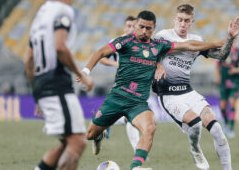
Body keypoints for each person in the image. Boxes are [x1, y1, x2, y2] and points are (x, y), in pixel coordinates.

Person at [78, 10, 225, 170]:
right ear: (135, 26)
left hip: (138, 103)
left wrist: (215, 44)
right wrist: (85, 71)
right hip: (117, 98)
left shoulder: (158, 45)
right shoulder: (125, 41)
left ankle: (136, 167)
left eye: (148, 28)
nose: (144, 31)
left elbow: (188, 45)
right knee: (90, 134)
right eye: (141, 27)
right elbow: (101, 52)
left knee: (150, 126)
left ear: (154, 28)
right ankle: (99, 136)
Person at [153, 4, 239, 170]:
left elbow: (222, 56)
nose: (182, 24)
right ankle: (195, 148)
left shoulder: (198, 40)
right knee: (195, 124)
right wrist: (158, 64)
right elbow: (148, 55)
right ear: (175, 19)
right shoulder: (163, 36)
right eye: (180, 20)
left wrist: (230, 38)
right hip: (168, 95)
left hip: (188, 92)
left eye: (186, 21)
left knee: (217, 130)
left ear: (192, 22)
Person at [24, 0, 93, 170]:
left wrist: (38, 94)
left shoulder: (39, 17)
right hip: (56, 81)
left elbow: (28, 60)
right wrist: (81, 74)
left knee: (67, 143)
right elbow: (60, 47)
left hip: (41, 81)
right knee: (78, 142)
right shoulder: (63, 10)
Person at [97, 15, 141, 154]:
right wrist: (116, 63)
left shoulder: (142, 42)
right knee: (131, 117)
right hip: (122, 84)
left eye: (134, 26)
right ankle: (138, 152)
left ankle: (105, 123)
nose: (131, 28)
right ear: (124, 27)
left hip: (140, 85)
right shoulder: (118, 42)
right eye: (128, 25)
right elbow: (102, 58)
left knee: (131, 117)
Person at [215, 45, 239, 138]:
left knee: (232, 103)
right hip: (224, 83)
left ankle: (231, 129)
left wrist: (235, 70)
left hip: (235, 83)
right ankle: (226, 123)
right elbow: (217, 66)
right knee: (223, 106)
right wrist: (217, 77)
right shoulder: (221, 51)